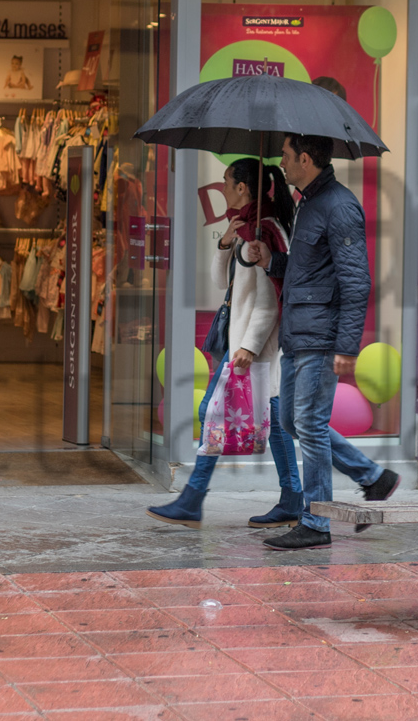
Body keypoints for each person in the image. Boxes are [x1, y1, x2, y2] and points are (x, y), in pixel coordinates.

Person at [245, 133, 399, 550]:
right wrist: (271, 260)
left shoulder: (340, 206)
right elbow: (308, 269)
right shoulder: (308, 202)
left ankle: (316, 522)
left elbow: (356, 282)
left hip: (321, 337)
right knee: (291, 421)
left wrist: (346, 346)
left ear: (305, 159)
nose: (281, 162)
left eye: (286, 155)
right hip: (298, 334)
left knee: (309, 424)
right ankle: (373, 477)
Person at [146, 160, 303, 529]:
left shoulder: (265, 231)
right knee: (274, 419)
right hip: (244, 344)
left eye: (227, 181)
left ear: (243, 188)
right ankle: (293, 497)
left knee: (213, 412)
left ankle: (193, 499)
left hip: (254, 348)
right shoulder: (244, 228)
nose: (224, 187)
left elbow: (270, 299)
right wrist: (225, 243)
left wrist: (249, 346)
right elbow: (220, 281)